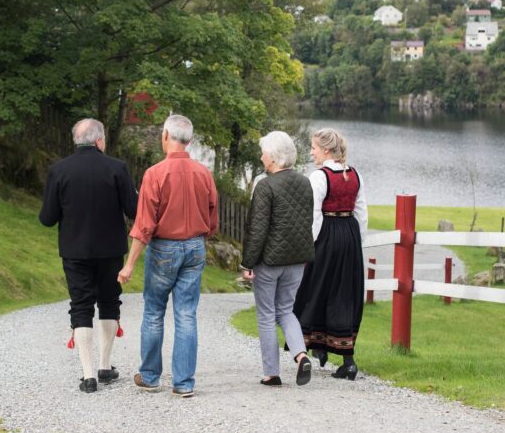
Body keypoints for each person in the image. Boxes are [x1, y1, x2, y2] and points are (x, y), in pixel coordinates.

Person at [117, 114, 218, 398]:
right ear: (190, 140)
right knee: (186, 313)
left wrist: (129, 264)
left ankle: (150, 376)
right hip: (195, 246)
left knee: (153, 312)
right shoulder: (203, 173)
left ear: (165, 136)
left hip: (164, 248)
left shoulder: (155, 174)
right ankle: (184, 383)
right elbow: (212, 219)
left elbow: (144, 225)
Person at [39, 118, 138, 393]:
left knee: (81, 305)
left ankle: (88, 375)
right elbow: (133, 210)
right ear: (99, 140)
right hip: (110, 250)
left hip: (75, 251)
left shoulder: (58, 171)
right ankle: (105, 366)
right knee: (109, 302)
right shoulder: (117, 168)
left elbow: (47, 218)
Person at [240, 131, 315, 387]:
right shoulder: (305, 183)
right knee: (286, 310)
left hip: (269, 262)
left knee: (266, 314)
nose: (261, 156)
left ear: (272, 157)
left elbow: (257, 229)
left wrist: (248, 262)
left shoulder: (266, 186)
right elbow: (306, 222)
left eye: (264, 152)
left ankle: (271, 373)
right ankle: (301, 354)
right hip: (296, 260)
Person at [294, 128, 369, 380]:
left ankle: (312, 349)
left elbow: (314, 215)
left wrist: (308, 247)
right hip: (349, 234)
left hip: (326, 235)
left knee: (315, 289)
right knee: (343, 293)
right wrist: (357, 244)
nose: (311, 151)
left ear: (326, 150)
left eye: (314, 147)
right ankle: (347, 361)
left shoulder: (319, 176)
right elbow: (362, 214)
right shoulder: (355, 174)